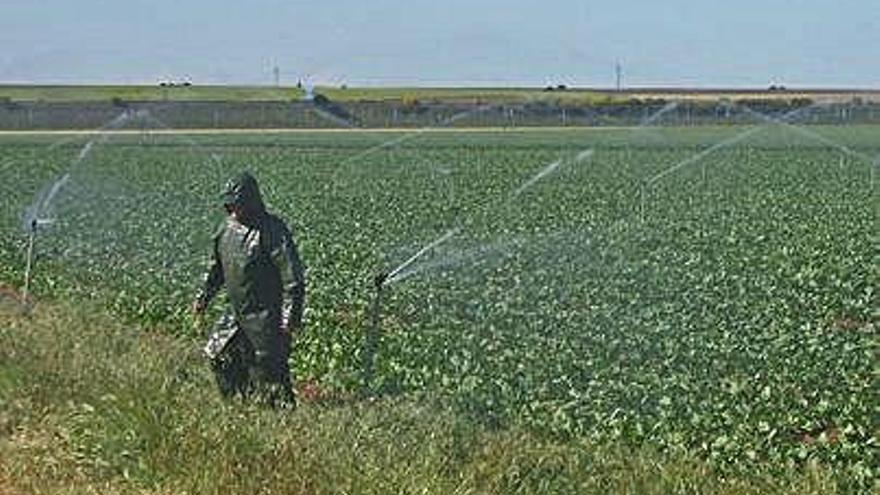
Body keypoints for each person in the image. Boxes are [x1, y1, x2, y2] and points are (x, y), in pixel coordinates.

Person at [193, 171, 305, 407]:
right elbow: (216, 269)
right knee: (219, 356)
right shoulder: (226, 230)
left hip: (265, 316)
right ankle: (239, 404)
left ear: (252, 202)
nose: (234, 211)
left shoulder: (271, 230)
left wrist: (289, 318)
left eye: (238, 205)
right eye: (230, 206)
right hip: (236, 312)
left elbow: (292, 277)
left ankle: (279, 418)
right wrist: (203, 298)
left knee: (269, 371)